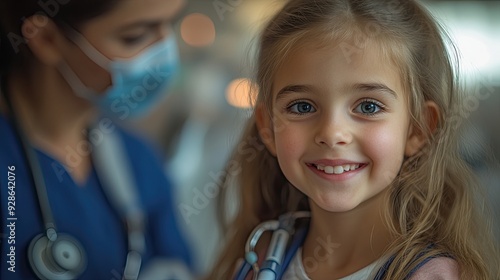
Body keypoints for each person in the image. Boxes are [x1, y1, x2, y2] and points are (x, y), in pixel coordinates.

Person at [208, 0, 500, 279]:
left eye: (368, 107)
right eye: (303, 106)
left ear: (417, 129)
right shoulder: (259, 261)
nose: (332, 134)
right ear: (268, 128)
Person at [0, 0, 194, 279]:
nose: (165, 51)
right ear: (46, 39)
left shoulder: (138, 161)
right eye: (135, 36)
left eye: (170, 25)